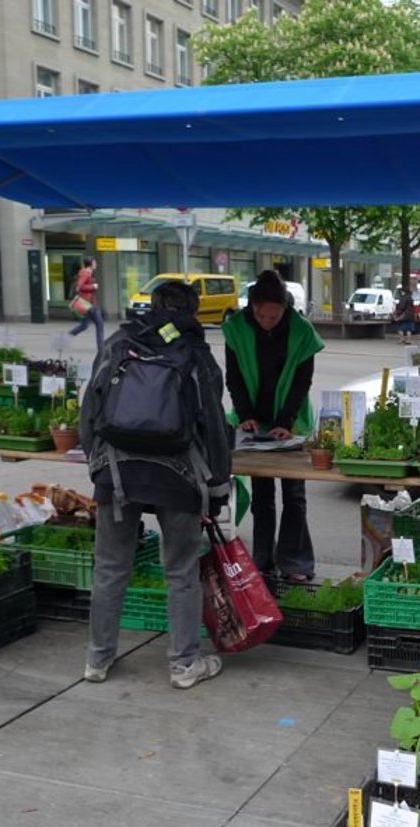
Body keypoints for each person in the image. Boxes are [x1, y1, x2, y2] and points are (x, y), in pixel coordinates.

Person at [79, 279, 231, 690]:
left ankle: (97, 659)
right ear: (194, 311)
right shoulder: (196, 353)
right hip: (178, 476)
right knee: (180, 570)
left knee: (110, 567)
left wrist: (97, 465)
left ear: (152, 304)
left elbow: (90, 408)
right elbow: (213, 426)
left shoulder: (119, 341)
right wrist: (218, 485)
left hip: (117, 472)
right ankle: (184, 665)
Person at [223, 269, 323, 582]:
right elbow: (234, 376)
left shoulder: (302, 331)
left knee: (294, 494)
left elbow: (302, 382)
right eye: (260, 315)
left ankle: (295, 564)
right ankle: (263, 560)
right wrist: (245, 414)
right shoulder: (236, 329)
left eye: (273, 316)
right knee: (262, 495)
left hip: (292, 420)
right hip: (254, 419)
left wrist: (286, 422)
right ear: (251, 308)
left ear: (285, 308)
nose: (267, 321)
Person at [68, 256, 105, 355]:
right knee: (100, 323)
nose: (96, 264)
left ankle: (66, 338)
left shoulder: (88, 272)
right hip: (88, 303)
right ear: (90, 263)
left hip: (89, 302)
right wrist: (93, 286)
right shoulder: (85, 272)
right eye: (94, 262)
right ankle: (101, 348)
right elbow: (79, 286)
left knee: (84, 325)